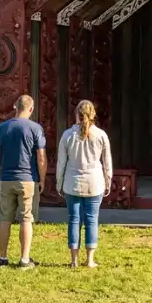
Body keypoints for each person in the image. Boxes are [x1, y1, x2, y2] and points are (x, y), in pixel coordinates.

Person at [56, 100, 113, 268]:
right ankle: (89, 260)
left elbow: (61, 163)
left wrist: (59, 183)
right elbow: (107, 161)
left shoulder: (67, 135)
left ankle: (73, 260)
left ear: (76, 115)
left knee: (74, 220)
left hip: (72, 182)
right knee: (92, 220)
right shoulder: (101, 135)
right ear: (93, 115)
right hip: (95, 183)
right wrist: (108, 180)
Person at [0, 94, 46, 269]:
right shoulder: (35, 128)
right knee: (26, 219)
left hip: (7, 178)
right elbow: (41, 157)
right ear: (31, 109)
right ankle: (24, 259)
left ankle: (3, 258)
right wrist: (42, 178)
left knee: (4, 219)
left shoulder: (2, 128)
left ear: (15, 106)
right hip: (28, 178)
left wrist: (1, 173)